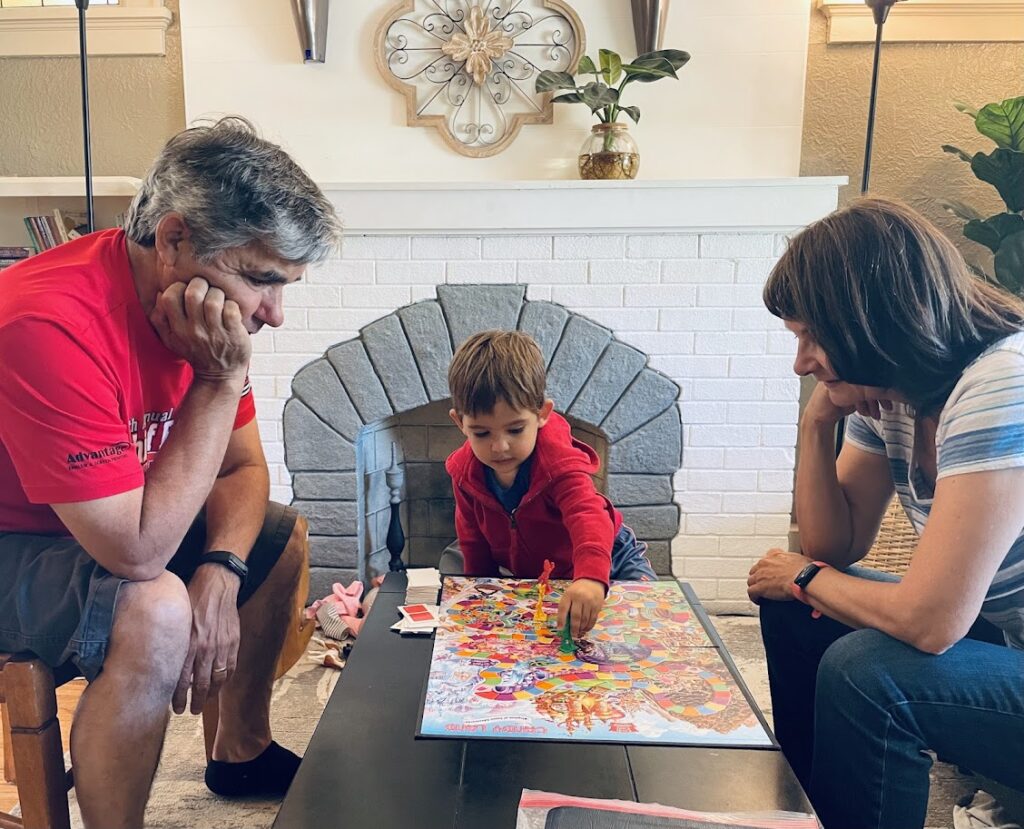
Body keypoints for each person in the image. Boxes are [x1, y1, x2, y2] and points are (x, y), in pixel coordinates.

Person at [0, 117, 342, 828]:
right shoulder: (47, 322)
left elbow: (244, 468)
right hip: (18, 543)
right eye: (260, 279)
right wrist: (219, 382)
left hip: (112, 524)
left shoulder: (192, 311)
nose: (273, 314)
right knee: (155, 605)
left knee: (275, 539)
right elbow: (137, 552)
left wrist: (220, 569)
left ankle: (239, 749)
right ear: (175, 239)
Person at [746, 197, 1024, 829]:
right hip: (1005, 643)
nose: (801, 362)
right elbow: (831, 547)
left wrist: (802, 574)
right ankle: (802, 813)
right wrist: (818, 421)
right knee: (799, 602)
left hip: (984, 642)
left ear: (870, 318)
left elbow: (932, 623)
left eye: (811, 337)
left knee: (870, 671)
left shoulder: (1001, 385)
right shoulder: (890, 395)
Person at [445, 330, 656, 639]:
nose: (500, 446)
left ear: (542, 414)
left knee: (641, 628)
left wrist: (591, 579)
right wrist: (480, 594)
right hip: (542, 573)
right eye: (481, 433)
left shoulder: (557, 463)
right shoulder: (464, 473)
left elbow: (587, 515)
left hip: (608, 558)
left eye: (515, 430)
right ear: (459, 423)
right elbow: (473, 542)